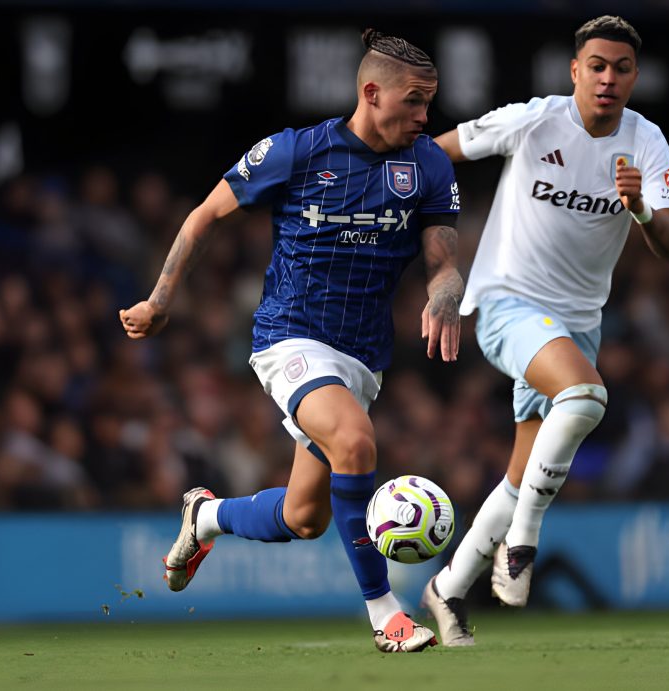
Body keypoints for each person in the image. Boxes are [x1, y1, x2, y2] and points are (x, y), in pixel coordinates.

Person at [119, 29, 463, 653]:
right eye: (413, 101)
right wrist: (160, 300)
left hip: (362, 357)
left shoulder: (429, 166)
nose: (424, 116)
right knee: (355, 441)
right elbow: (205, 215)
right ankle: (386, 614)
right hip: (291, 336)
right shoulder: (297, 152)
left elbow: (442, 258)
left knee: (304, 518)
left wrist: (445, 292)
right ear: (371, 92)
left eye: (428, 102)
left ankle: (206, 516)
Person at [420, 15, 669, 646]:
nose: (608, 78)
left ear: (634, 77)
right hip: (507, 304)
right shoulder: (535, 120)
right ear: (575, 71)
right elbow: (434, 154)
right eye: (596, 66)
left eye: (621, 68)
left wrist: (640, 209)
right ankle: (523, 543)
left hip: (576, 325)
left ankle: (448, 588)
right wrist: (438, 252)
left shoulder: (646, 143)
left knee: (522, 474)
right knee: (587, 395)